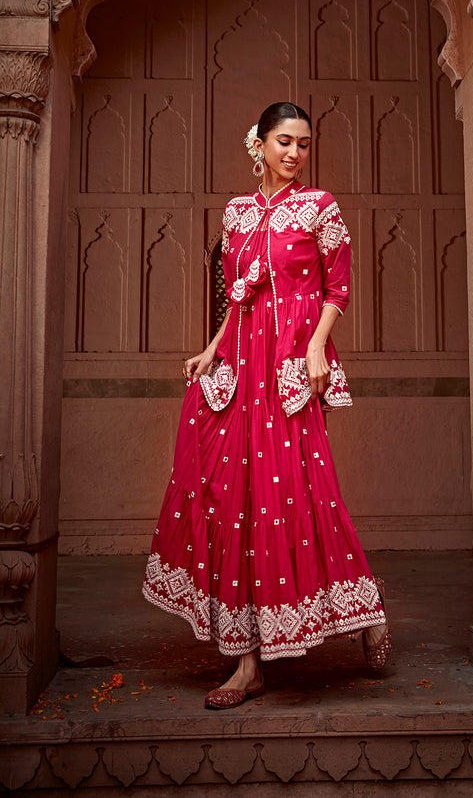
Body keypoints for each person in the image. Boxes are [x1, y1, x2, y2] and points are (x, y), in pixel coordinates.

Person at [143, 101, 391, 708]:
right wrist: (209, 350)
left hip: (288, 368)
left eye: (304, 144)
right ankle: (246, 663)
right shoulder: (237, 213)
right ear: (260, 143)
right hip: (240, 367)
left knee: (300, 493)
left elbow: (339, 288)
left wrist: (315, 347)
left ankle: (366, 608)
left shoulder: (319, 207)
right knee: (233, 498)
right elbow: (237, 301)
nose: (294, 154)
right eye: (284, 141)